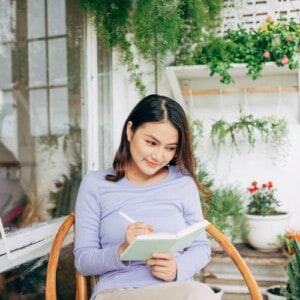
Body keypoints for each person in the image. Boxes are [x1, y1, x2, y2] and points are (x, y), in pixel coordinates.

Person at [74, 94, 216, 300]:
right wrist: (122, 250)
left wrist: (178, 267)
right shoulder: (95, 184)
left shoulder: (183, 183)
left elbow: (201, 247)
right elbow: (84, 260)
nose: (158, 156)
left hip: (175, 290)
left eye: (170, 148)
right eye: (151, 143)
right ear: (130, 131)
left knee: (199, 294)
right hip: (117, 292)